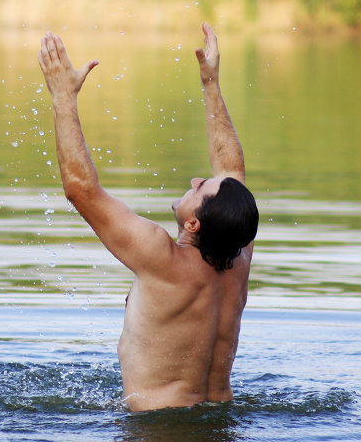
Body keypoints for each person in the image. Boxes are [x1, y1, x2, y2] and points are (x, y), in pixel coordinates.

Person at [37, 23, 258, 411]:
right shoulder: (237, 254)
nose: (194, 179)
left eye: (199, 188)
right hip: (223, 426)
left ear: (193, 225)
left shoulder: (163, 259)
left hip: (155, 430)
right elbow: (232, 174)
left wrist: (63, 97)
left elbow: (81, 191)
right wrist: (210, 85)